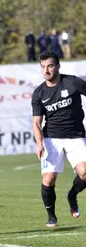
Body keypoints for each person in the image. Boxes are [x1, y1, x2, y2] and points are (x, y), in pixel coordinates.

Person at [31, 51, 86, 228]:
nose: (46, 70)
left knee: (85, 172)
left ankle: (72, 195)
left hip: (75, 135)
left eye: (50, 66)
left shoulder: (73, 82)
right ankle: (51, 217)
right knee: (48, 179)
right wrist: (39, 144)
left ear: (58, 66)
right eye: (43, 67)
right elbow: (37, 123)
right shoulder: (39, 93)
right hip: (51, 139)